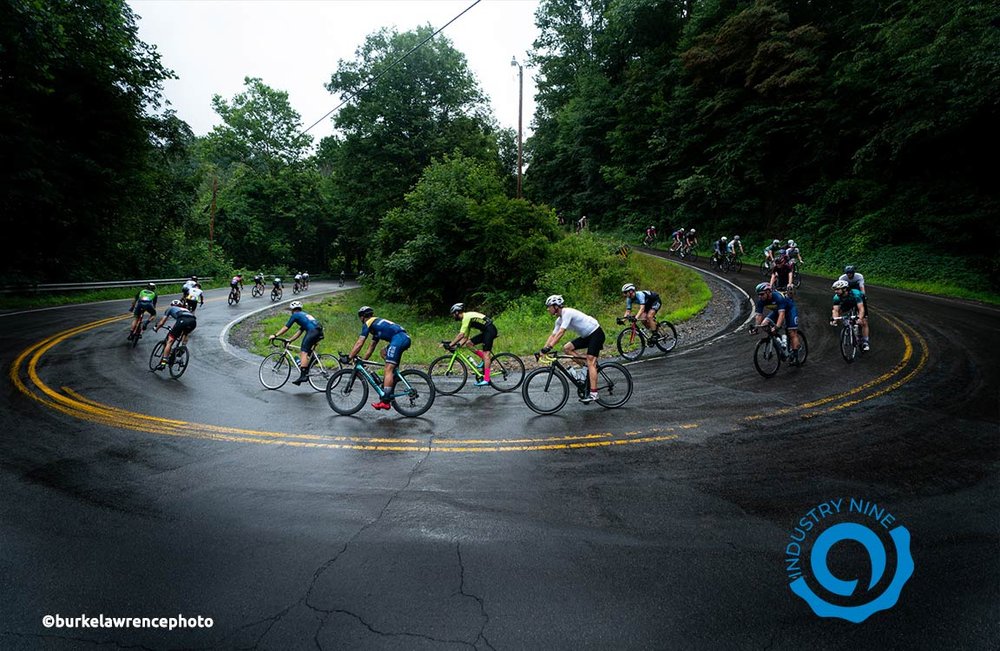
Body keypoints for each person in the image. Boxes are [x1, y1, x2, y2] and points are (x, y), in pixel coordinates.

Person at [539, 295, 605, 404]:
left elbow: (561, 332)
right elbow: (553, 335)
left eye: (549, 306)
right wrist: (543, 349)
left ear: (556, 306)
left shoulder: (567, 313)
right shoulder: (558, 320)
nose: (548, 309)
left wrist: (550, 347)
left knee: (590, 361)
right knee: (567, 348)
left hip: (596, 333)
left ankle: (594, 394)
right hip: (587, 336)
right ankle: (586, 367)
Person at [348, 306, 411, 410]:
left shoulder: (368, 323)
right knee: (383, 352)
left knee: (388, 369)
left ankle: (385, 401)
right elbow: (371, 347)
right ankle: (393, 378)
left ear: (362, 317)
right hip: (402, 338)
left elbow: (359, 343)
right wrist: (363, 360)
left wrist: (350, 357)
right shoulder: (376, 325)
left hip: (399, 339)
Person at [269, 300, 325, 385]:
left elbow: (286, 327)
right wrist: (290, 340)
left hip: (312, 332)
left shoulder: (295, 315)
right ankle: (313, 359)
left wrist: (275, 335)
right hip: (319, 331)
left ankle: (303, 376)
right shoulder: (304, 315)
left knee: (303, 351)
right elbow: (299, 332)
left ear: (292, 310)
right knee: (307, 351)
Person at [446, 303, 497, 386]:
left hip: (490, 331)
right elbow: (465, 338)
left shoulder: (466, 318)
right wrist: (457, 345)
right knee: (469, 343)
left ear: (456, 312)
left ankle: (487, 379)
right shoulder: (467, 319)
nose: (453, 316)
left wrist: (451, 344)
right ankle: (483, 358)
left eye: (453, 314)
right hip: (486, 331)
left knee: (487, 354)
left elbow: (461, 335)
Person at [750, 282, 802, 364]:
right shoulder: (761, 301)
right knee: (764, 324)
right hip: (777, 311)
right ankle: (780, 341)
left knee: (791, 332)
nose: (760, 296)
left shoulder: (778, 297)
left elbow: (782, 314)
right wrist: (756, 328)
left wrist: (777, 327)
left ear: (768, 292)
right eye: (758, 294)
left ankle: (796, 357)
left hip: (789, 310)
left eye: (762, 294)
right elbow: (759, 316)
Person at [153, 299, 197, 370]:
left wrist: (156, 328)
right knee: (185, 333)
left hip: (182, 321)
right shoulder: (185, 309)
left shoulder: (170, 309)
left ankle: (163, 363)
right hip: (193, 321)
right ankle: (183, 347)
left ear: (172, 305)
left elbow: (162, 322)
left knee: (170, 341)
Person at [830, 279, 870, 351]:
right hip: (847, 302)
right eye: (835, 290)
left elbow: (861, 309)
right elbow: (835, 310)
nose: (835, 291)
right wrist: (835, 319)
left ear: (845, 289)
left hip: (858, 301)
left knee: (864, 321)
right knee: (840, 310)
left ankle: (865, 342)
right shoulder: (836, 297)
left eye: (838, 289)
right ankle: (848, 324)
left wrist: (860, 318)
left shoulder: (856, 294)